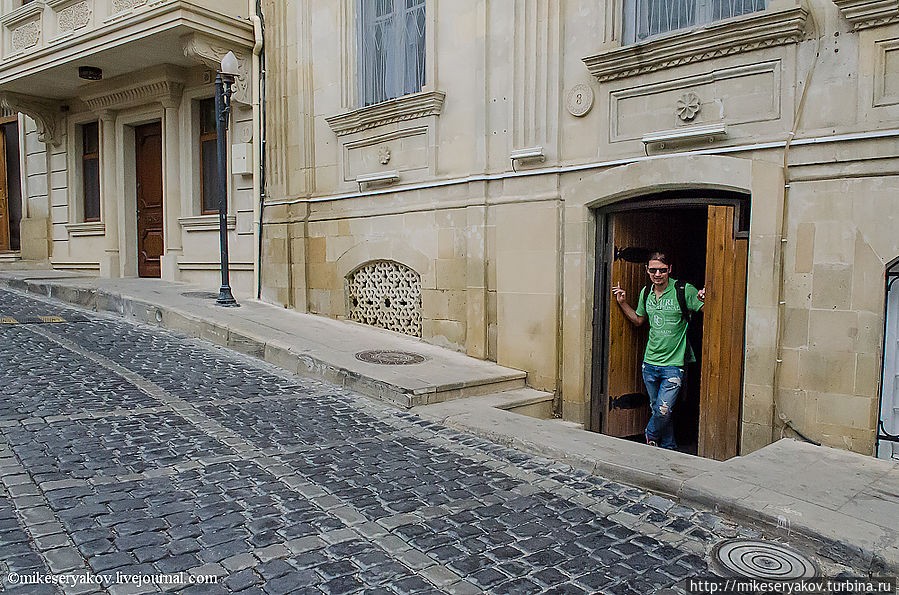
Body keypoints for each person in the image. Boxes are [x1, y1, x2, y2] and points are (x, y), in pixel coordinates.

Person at [611, 252, 705, 450]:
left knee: (663, 409)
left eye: (662, 270)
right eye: (653, 270)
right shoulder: (646, 292)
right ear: (647, 270)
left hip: (673, 365)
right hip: (650, 363)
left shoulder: (683, 289)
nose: (657, 274)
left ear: (669, 269)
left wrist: (705, 296)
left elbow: (705, 308)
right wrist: (622, 303)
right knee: (658, 409)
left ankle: (651, 433)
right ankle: (669, 446)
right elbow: (638, 320)